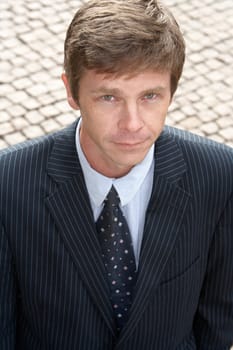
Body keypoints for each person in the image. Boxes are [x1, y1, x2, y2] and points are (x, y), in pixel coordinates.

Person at [0, 0, 232, 348]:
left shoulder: (218, 175)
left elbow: (217, 319)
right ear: (71, 91)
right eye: (109, 97)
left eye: (151, 96)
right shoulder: (8, 184)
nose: (133, 123)